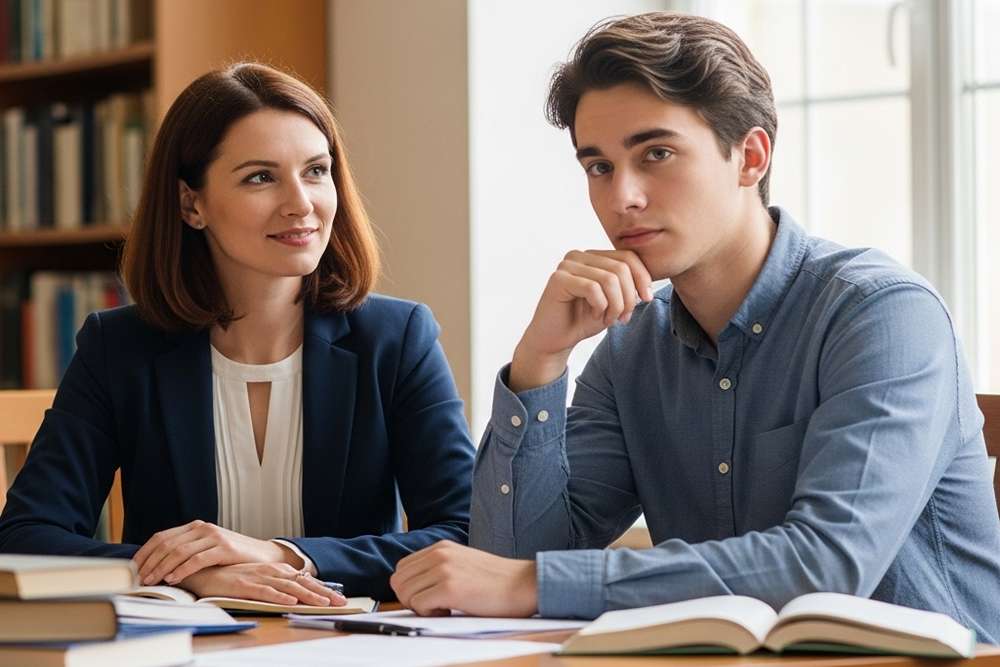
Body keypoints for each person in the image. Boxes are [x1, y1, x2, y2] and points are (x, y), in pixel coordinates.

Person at [388, 12, 1000, 643]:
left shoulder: (881, 312)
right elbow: (510, 561)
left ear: (751, 157)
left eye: (657, 153)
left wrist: (532, 586)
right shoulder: (631, 345)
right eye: (598, 166)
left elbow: (826, 565)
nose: (622, 196)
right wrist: (539, 363)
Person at [0, 63, 475, 606]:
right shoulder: (119, 348)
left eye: (316, 171)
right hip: (183, 652)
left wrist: (282, 555)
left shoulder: (396, 339)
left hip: (344, 647)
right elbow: (24, 538)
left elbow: (462, 532)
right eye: (260, 177)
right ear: (191, 204)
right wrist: (188, 574)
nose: (301, 203)